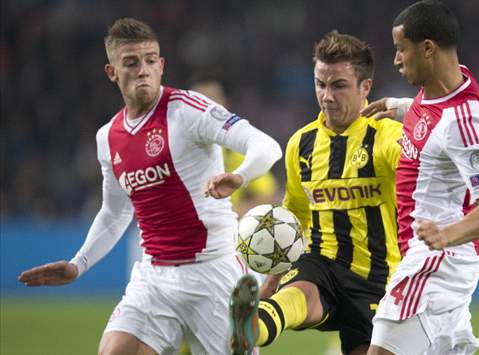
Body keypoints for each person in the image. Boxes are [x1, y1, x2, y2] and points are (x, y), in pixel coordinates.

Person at [17, 18, 282, 355]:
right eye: (131, 62)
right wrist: (78, 264)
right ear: (112, 71)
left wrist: (241, 176)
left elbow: (266, 146)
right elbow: (115, 212)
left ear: (161, 65)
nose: (143, 70)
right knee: (114, 351)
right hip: (154, 276)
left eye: (150, 60)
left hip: (213, 271)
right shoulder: (107, 138)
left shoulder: (188, 110)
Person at [229, 31, 403, 355]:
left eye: (338, 85)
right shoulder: (301, 143)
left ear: (365, 87)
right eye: (320, 84)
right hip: (321, 264)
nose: (326, 96)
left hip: (378, 281)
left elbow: (429, 167)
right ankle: (253, 325)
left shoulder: (389, 138)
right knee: (300, 294)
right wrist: (270, 280)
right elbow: (294, 217)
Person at [362, 1, 479, 354]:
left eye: (401, 49)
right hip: (438, 256)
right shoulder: (450, 86)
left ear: (427, 48)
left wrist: (446, 234)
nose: (396, 59)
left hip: (435, 259)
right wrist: (399, 106)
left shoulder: (463, 121)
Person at [191, 80, 280, 216]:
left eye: (212, 102)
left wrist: (235, 214)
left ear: (225, 106)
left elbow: (268, 195)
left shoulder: (237, 155)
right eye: (199, 104)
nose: (206, 111)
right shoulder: (173, 153)